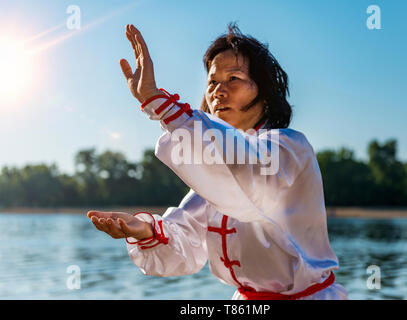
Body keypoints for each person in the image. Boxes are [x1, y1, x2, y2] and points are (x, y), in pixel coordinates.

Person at [87, 23, 348, 300]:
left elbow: (248, 176)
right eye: (212, 82)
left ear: (265, 90)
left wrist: (157, 102)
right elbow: (185, 240)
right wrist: (145, 230)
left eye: (233, 78)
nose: (218, 91)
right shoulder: (217, 172)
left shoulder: (289, 147)